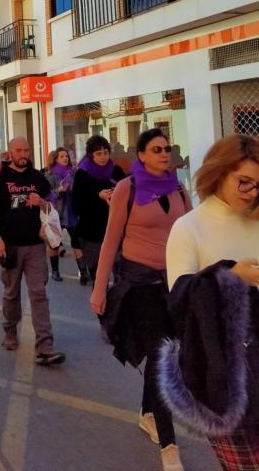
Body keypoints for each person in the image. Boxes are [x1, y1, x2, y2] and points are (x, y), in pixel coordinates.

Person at [90, 129, 192, 471]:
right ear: (142, 155)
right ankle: (169, 445)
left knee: (167, 356)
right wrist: (99, 287)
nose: (165, 154)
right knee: (163, 358)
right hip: (141, 285)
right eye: (157, 149)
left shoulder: (179, 190)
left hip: (176, 284)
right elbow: (109, 241)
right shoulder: (127, 189)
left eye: (168, 149)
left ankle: (148, 413)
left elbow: (194, 235)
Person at [161, 135, 259, 471]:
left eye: (258, 185)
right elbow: (180, 303)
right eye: (243, 182)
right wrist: (232, 277)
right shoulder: (189, 228)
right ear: (219, 172)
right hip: (225, 376)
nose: (251, 193)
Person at [0, 136, 66, 365]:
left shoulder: (37, 178)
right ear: (10, 152)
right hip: (9, 247)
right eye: (19, 150)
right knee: (11, 293)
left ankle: (45, 346)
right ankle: (9, 330)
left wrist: (42, 203)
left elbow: (51, 207)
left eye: (26, 150)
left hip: (36, 246)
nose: (23, 154)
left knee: (39, 295)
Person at [72, 135, 126, 284]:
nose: (103, 157)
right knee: (99, 279)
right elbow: (77, 205)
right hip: (92, 233)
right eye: (98, 154)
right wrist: (98, 197)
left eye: (106, 153)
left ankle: (117, 306)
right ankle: (101, 305)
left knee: (120, 277)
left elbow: (129, 193)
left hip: (115, 229)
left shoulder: (116, 171)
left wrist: (117, 194)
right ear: (91, 155)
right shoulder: (82, 174)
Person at [44, 149, 76, 282]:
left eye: (67, 156)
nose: (65, 158)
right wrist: (58, 191)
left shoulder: (73, 173)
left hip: (71, 212)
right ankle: (55, 271)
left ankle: (84, 272)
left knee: (77, 242)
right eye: (62, 156)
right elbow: (45, 194)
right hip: (56, 212)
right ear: (56, 159)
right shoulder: (50, 175)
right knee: (54, 244)